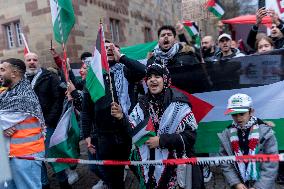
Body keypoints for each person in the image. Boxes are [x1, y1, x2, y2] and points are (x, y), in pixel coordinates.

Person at [111, 63, 204, 189]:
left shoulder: (179, 104)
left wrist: (161, 140)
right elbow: (133, 132)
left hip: (176, 167)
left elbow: (190, 137)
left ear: (165, 79)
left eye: (157, 76)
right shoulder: (142, 104)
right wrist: (121, 117)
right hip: (152, 166)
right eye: (149, 77)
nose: (152, 80)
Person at [81, 40, 146, 189]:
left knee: (142, 173)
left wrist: (121, 57)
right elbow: (86, 110)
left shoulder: (126, 71)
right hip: (105, 137)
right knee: (114, 180)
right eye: (104, 48)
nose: (108, 50)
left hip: (129, 132)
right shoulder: (93, 76)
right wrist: (86, 134)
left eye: (111, 48)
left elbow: (143, 71)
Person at [24, 52, 69, 189]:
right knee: (36, 159)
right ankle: (44, 184)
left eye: (35, 60)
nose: (32, 62)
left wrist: (50, 120)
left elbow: (58, 99)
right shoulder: (21, 80)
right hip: (28, 126)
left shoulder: (49, 77)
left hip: (47, 125)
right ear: (25, 62)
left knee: (52, 156)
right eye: (29, 60)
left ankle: (64, 183)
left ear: (39, 62)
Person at [0, 58, 45, 189]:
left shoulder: (24, 97)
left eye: (2, 70)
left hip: (26, 154)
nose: (0, 73)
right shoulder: (5, 94)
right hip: (7, 154)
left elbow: (4, 119)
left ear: (14, 73)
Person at [218, 93, 278, 189]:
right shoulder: (226, 134)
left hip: (263, 185)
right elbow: (225, 162)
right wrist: (236, 183)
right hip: (240, 184)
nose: (238, 118)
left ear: (251, 111)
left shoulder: (265, 132)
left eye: (242, 114)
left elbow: (271, 164)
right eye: (234, 114)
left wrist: (259, 186)